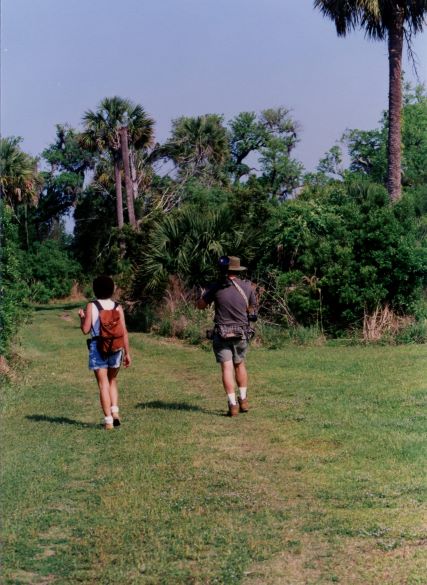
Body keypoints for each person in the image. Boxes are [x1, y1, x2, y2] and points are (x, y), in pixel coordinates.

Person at [197, 256, 257, 417]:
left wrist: (205, 293)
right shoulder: (247, 287)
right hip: (242, 333)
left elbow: (200, 305)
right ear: (237, 270)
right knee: (240, 364)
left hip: (222, 333)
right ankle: (243, 400)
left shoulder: (216, 287)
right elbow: (252, 309)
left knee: (227, 367)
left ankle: (232, 405)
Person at [78, 275, 131, 429]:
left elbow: (86, 330)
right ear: (112, 289)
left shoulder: (91, 306)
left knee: (103, 384)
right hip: (116, 346)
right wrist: (127, 353)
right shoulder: (117, 306)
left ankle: (108, 421)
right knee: (112, 380)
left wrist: (82, 318)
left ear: (95, 290)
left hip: (98, 345)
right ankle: (115, 412)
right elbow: (124, 331)